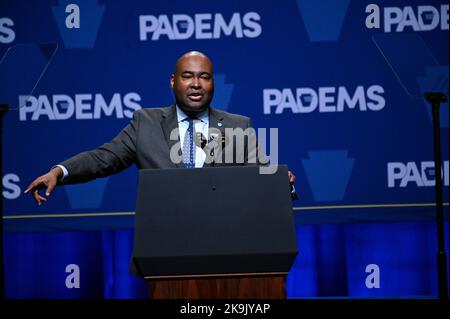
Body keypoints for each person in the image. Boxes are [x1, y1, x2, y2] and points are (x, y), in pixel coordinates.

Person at [25, 51, 296, 203]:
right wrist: (59, 172)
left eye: (204, 77)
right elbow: (103, 158)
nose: (196, 83)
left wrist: (280, 183)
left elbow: (260, 177)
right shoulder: (146, 123)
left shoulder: (238, 125)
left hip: (226, 243)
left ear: (213, 83)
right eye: (187, 76)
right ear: (172, 81)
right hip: (164, 247)